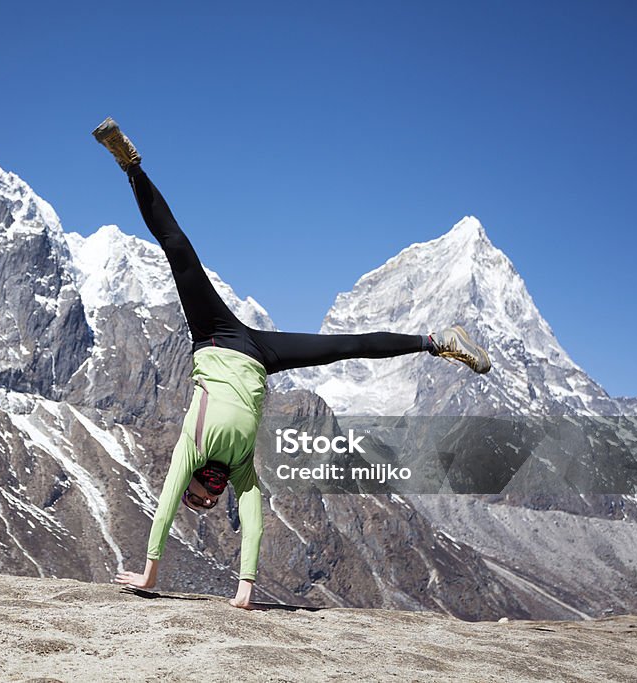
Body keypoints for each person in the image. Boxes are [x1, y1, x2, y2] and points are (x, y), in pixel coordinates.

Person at [92, 117, 490, 609]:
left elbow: (165, 507)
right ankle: (437, 340)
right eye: (212, 501)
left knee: (178, 249)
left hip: (215, 334)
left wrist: (150, 575)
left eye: (200, 495)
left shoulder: (189, 453)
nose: (209, 494)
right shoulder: (238, 468)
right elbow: (253, 522)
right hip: (259, 356)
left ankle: (131, 166)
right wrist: (244, 591)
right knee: (346, 345)